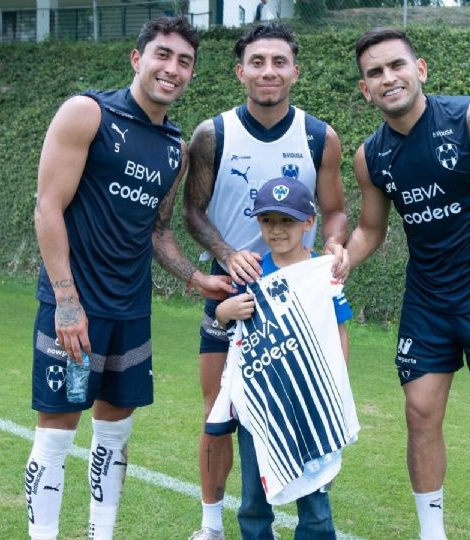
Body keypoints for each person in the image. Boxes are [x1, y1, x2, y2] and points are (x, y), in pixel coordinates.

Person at [25, 16, 233, 540]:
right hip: (76, 309)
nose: (173, 68)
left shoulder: (173, 149)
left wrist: (195, 279)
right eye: (163, 55)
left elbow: (158, 233)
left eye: (185, 61)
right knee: (57, 433)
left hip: (131, 309)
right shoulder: (87, 113)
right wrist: (67, 301)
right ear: (138, 59)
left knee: (115, 434)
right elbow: (48, 208)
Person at [345, 28, 470, 540]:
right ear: (365, 90)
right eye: (375, 73)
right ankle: (431, 535)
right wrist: (340, 261)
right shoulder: (371, 157)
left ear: (421, 69)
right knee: (420, 414)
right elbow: (371, 229)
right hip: (428, 306)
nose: (388, 78)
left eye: (396, 65)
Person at [183, 22, 349, 540]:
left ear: (295, 71)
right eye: (257, 62)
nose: (268, 71)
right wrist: (228, 255)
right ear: (240, 72)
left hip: (297, 289)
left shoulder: (319, 136)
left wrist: (334, 248)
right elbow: (192, 211)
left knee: (300, 407)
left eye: (279, 61)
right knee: (220, 415)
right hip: (231, 292)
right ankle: (213, 526)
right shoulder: (213, 134)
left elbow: (336, 210)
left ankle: (305, 515)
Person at [212, 176, 355, 540]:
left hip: (309, 400)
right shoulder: (251, 271)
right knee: (253, 501)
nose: (276, 230)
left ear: (309, 222)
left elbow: (337, 332)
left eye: (287, 221)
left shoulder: (323, 273)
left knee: (316, 507)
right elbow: (229, 325)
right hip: (261, 402)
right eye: (268, 221)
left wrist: (335, 389)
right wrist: (226, 310)